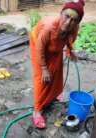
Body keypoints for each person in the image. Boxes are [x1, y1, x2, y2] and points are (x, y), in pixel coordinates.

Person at [29, 0, 85, 128]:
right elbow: (39, 48)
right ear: (61, 14)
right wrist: (44, 68)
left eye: (74, 20)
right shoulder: (48, 28)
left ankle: (52, 96)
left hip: (55, 47)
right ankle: (37, 110)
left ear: (77, 22)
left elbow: (69, 39)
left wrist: (70, 51)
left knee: (56, 71)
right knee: (42, 78)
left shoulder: (74, 28)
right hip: (39, 46)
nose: (68, 22)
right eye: (67, 16)